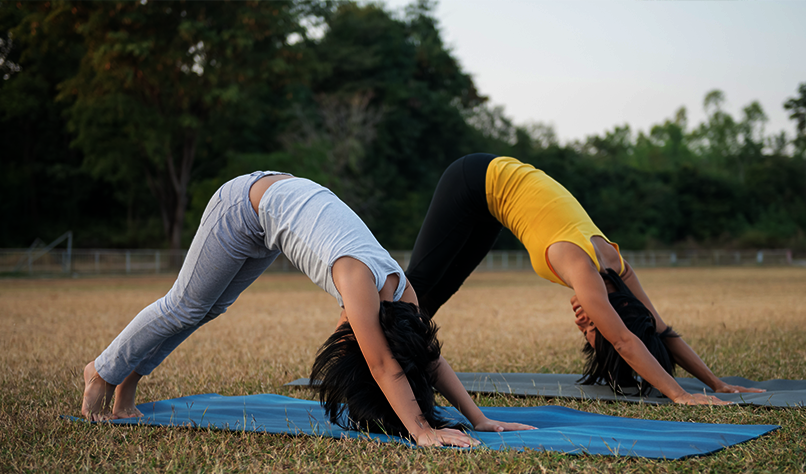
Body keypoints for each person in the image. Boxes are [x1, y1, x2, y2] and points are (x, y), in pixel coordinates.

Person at [81, 170, 533, 447]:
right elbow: (381, 364)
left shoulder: (404, 293)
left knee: (205, 308)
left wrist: (481, 419)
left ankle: (128, 382)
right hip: (242, 205)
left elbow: (426, 358)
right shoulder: (359, 280)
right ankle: (102, 371)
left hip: (272, 210)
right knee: (185, 304)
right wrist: (421, 430)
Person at [405, 153, 764, 404]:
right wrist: (680, 395)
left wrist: (716, 384)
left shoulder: (617, 267)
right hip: (473, 178)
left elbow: (659, 329)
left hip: (493, 201)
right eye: (593, 335)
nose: (583, 328)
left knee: (425, 304)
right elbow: (624, 341)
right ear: (609, 315)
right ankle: (358, 350)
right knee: (414, 287)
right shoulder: (583, 268)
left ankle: (398, 368)